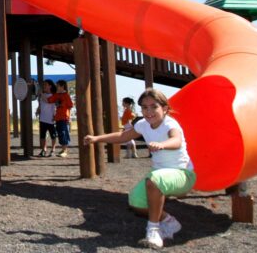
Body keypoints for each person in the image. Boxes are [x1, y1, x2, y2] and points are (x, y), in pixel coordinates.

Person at [83, 88, 195, 249]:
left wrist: (162, 145)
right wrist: (96, 138)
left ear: (164, 108)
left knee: (153, 181)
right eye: (144, 107)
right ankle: (169, 222)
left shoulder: (170, 123)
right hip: (159, 176)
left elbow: (176, 140)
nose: (149, 111)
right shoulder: (143, 124)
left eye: (153, 106)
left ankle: (153, 231)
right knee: (136, 202)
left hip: (183, 175)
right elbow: (123, 136)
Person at [48, 79, 73, 158]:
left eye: (58, 85)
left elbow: (70, 105)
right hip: (58, 118)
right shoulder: (57, 95)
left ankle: (65, 150)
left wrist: (69, 117)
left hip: (64, 118)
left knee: (63, 133)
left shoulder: (66, 95)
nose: (56, 87)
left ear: (62, 86)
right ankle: (63, 149)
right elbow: (49, 100)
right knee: (60, 133)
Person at [35, 80, 58, 157]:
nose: (44, 86)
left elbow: (48, 101)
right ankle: (44, 149)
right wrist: (38, 110)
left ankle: (53, 150)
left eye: (46, 85)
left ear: (50, 86)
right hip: (42, 118)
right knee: (42, 136)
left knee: (53, 135)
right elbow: (40, 104)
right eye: (43, 85)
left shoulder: (54, 95)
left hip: (51, 119)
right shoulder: (42, 96)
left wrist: (40, 94)